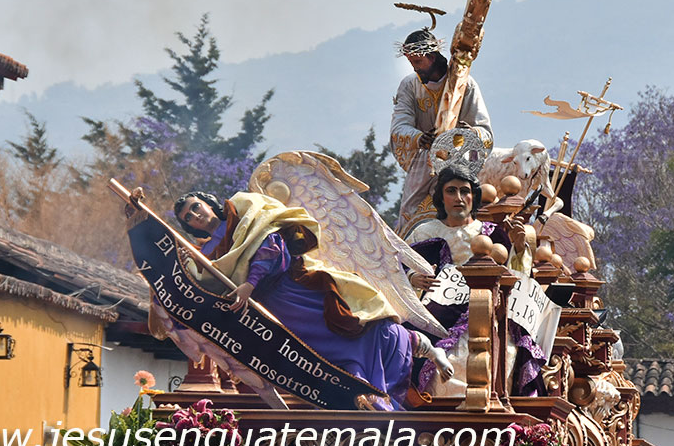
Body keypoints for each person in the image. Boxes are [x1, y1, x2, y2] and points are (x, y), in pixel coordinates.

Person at [172, 189, 452, 410]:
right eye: (188, 217)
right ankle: (360, 393)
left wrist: (250, 284)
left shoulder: (246, 211)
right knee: (319, 354)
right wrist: (187, 263)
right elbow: (208, 286)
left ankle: (427, 350)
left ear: (208, 203)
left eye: (196, 207)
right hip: (271, 310)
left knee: (354, 324)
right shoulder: (205, 253)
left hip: (296, 287)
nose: (195, 215)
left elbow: (272, 245)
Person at [404, 166, 543, 397]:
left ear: (474, 196)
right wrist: (413, 278)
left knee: (503, 352)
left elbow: (517, 279)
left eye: (465, 191)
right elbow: (399, 267)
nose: (459, 198)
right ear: (441, 197)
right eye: (451, 191)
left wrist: (518, 249)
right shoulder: (424, 232)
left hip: (485, 311)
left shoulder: (492, 233)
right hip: (435, 313)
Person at [390, 28, 493, 236]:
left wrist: (470, 134)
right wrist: (420, 138)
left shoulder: (466, 85)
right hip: (423, 162)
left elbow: (485, 132)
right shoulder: (410, 85)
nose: (415, 68)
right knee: (409, 216)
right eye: (411, 63)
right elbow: (399, 127)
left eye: (418, 62)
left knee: (464, 217)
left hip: (459, 162)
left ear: (432, 56)